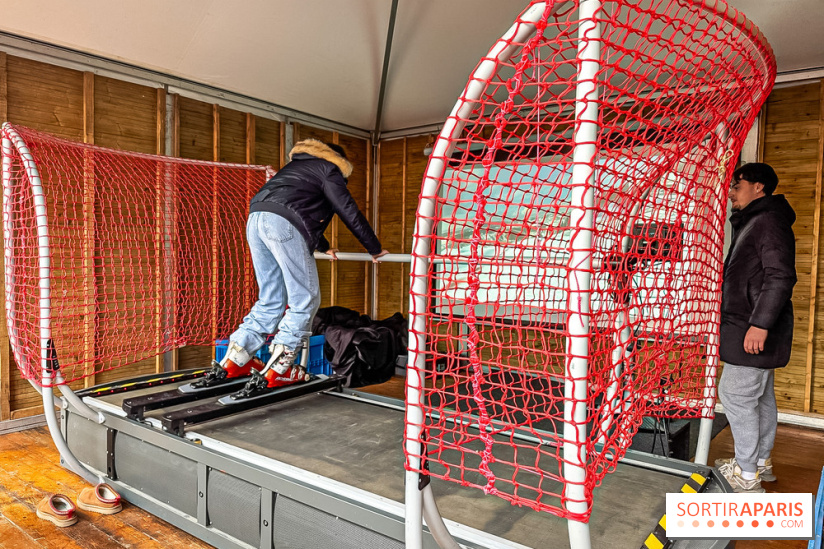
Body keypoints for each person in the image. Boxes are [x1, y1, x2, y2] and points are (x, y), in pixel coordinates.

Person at [196, 139, 388, 398]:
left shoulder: (295, 168)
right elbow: (346, 209)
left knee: (271, 298)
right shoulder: (329, 169)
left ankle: (235, 359)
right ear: (337, 160)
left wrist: (322, 246)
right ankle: (281, 367)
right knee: (305, 299)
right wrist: (374, 248)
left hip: (256, 219)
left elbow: (299, 207)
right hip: (283, 224)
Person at [715, 162, 796, 493]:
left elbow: (780, 275)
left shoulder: (768, 222)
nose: (731, 190)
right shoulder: (756, 221)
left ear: (759, 187)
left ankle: (747, 477)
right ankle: (760, 462)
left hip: (752, 328)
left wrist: (759, 325)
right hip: (748, 326)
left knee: (733, 394)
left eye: (738, 184)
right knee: (760, 398)